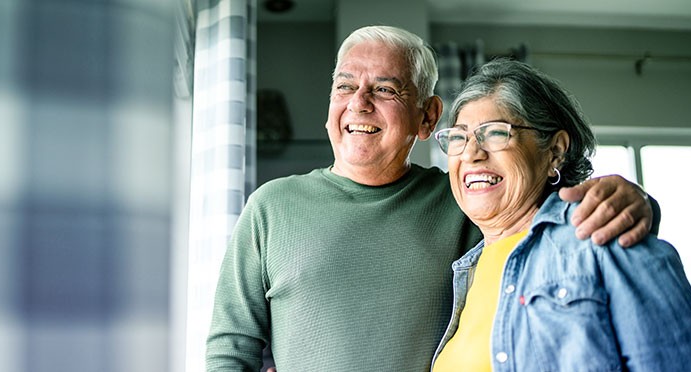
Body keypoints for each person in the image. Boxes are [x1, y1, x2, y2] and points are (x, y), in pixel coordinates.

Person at [206, 25, 656, 371]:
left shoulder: (464, 200)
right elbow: (230, 347)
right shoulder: (270, 207)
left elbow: (542, 209)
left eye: (385, 89)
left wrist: (641, 203)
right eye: (344, 86)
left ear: (427, 117)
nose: (359, 103)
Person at [431, 58, 691, 371]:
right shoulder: (464, 270)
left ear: (555, 150)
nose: (472, 154)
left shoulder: (603, 233)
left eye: (495, 133)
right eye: (459, 138)